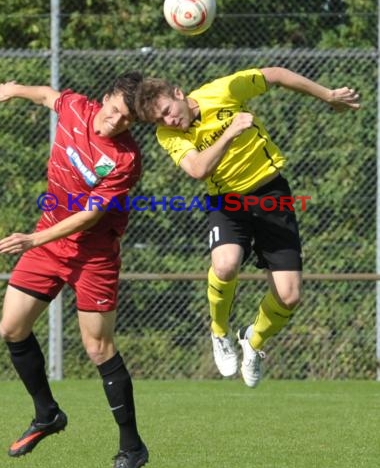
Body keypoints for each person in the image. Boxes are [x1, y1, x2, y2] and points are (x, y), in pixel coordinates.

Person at [134, 67, 360, 387]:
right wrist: (230, 132)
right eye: (159, 119)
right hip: (228, 202)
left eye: (168, 112)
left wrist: (328, 95)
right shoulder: (168, 135)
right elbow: (197, 169)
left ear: (179, 94)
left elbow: (277, 75)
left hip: (271, 195)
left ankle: (252, 341)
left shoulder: (223, 91)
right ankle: (220, 332)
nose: (168, 121)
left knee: (289, 296)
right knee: (225, 265)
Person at [0, 72, 149, 468]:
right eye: (115, 111)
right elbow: (48, 95)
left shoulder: (126, 159)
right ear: (105, 97)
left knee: (98, 348)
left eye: (128, 120)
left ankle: (132, 447)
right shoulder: (77, 107)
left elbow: (90, 215)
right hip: (47, 244)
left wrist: (32, 238)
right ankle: (47, 414)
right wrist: (13, 90)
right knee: (11, 328)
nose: (116, 122)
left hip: (93, 254)